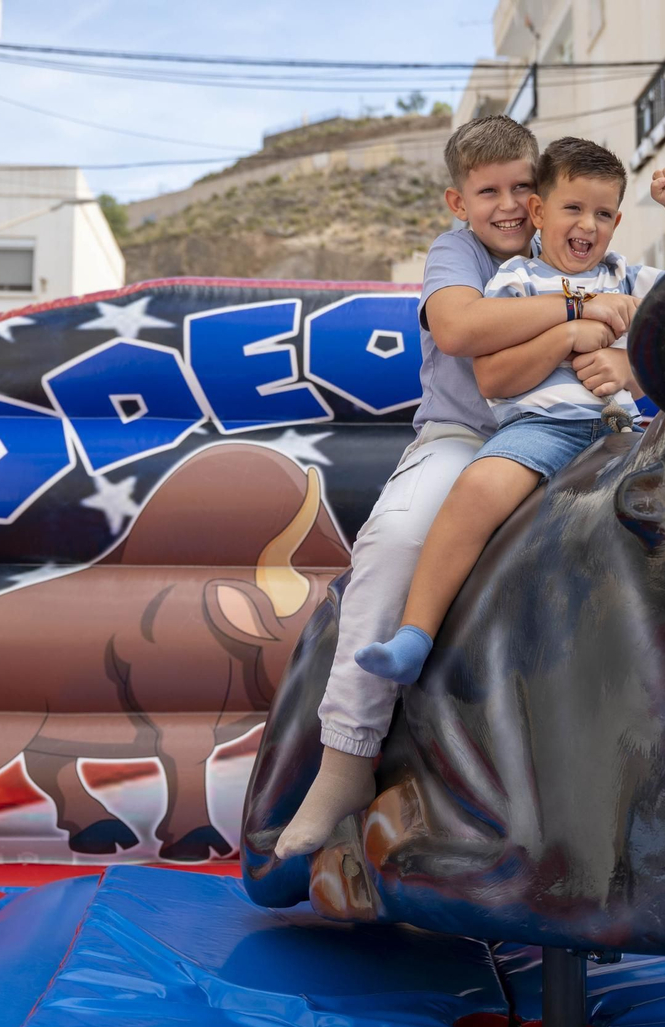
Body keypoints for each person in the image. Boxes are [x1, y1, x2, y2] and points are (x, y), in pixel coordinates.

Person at [273, 118, 642, 859]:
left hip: (580, 429)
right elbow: (458, 326)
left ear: (544, 196)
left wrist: (625, 359)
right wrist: (577, 314)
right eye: (488, 192)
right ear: (458, 200)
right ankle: (346, 756)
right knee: (399, 537)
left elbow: (659, 322)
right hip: (467, 437)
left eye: (521, 188)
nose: (507, 205)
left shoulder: (594, 253)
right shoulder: (462, 253)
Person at [355, 137, 665, 688]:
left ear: (618, 222)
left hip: (621, 431)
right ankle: (415, 633)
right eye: (572, 208)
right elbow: (493, 377)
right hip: (540, 430)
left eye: (602, 214)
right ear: (539, 213)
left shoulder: (621, 276)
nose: (588, 225)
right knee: (477, 489)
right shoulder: (513, 282)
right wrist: (566, 335)